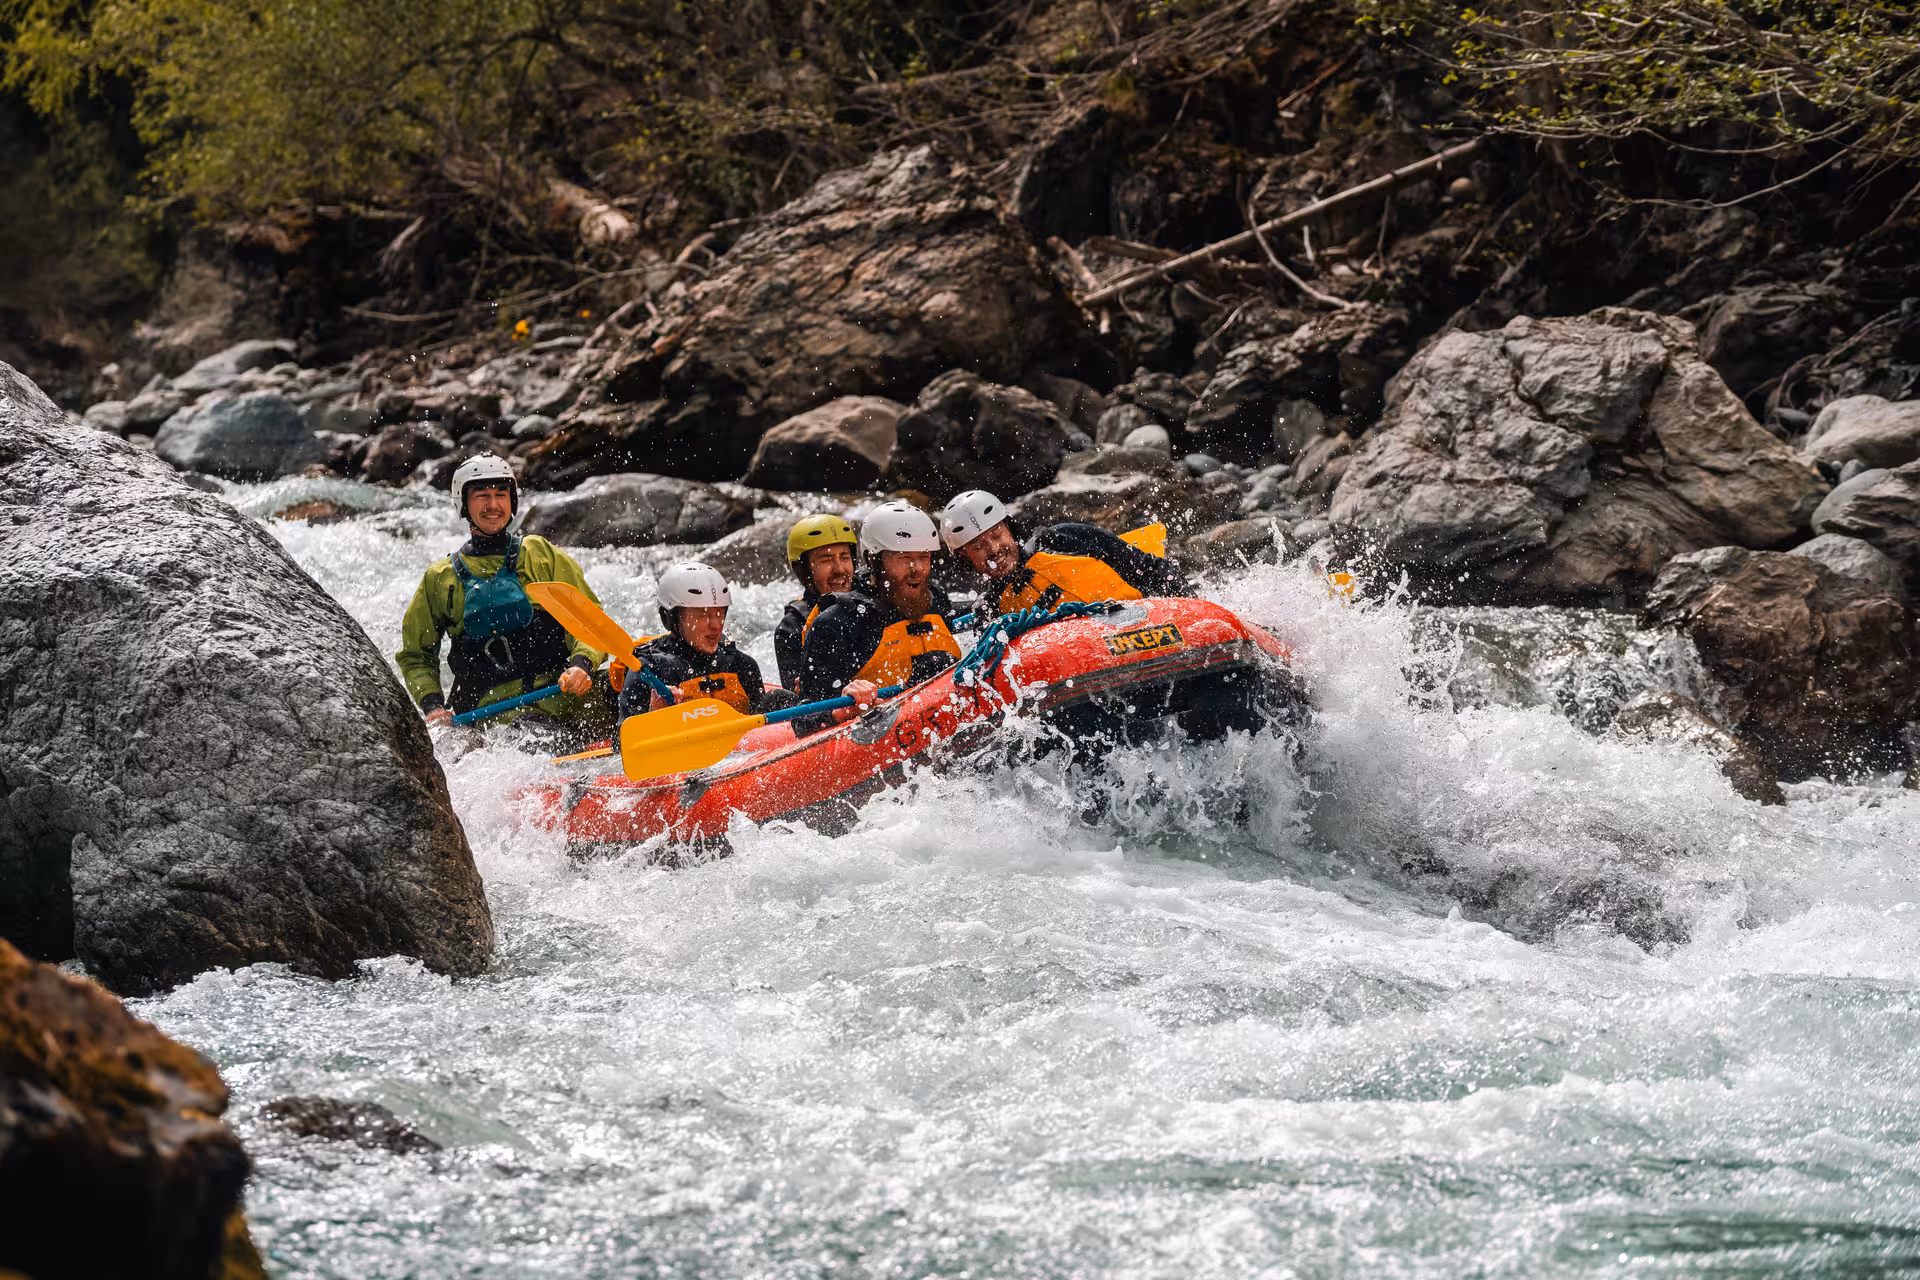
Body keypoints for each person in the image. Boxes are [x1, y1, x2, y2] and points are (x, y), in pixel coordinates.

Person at [396, 455, 609, 735]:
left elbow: (589, 619)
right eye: (482, 496)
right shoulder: (441, 578)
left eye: (501, 495)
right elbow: (417, 654)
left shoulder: (540, 555)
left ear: (512, 501)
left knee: (633, 685)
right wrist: (433, 705)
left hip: (567, 694)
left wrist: (582, 665)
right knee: (535, 733)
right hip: (497, 714)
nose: (493, 505)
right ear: (463, 503)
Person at [798, 501, 962, 720]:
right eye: (905, 558)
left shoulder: (936, 601)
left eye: (924, 557)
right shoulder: (838, 622)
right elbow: (803, 722)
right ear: (873, 560)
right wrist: (846, 708)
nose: (918, 570)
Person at [937, 489, 1193, 616]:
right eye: (979, 546)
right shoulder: (990, 611)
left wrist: (1191, 611)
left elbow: (1154, 569)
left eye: (996, 535)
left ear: (1009, 529)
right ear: (964, 556)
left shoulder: (1064, 539)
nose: (994, 549)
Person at [617, 562, 798, 721]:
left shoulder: (741, 665)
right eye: (702, 615)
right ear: (671, 618)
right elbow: (621, 747)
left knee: (779, 699)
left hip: (740, 754)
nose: (715, 625)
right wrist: (655, 715)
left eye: (719, 614)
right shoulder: (648, 670)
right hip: (683, 754)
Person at [772, 514, 859, 691]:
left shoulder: (875, 603)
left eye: (844, 557)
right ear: (804, 570)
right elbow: (804, 707)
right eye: (826, 560)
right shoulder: (792, 628)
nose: (840, 569)